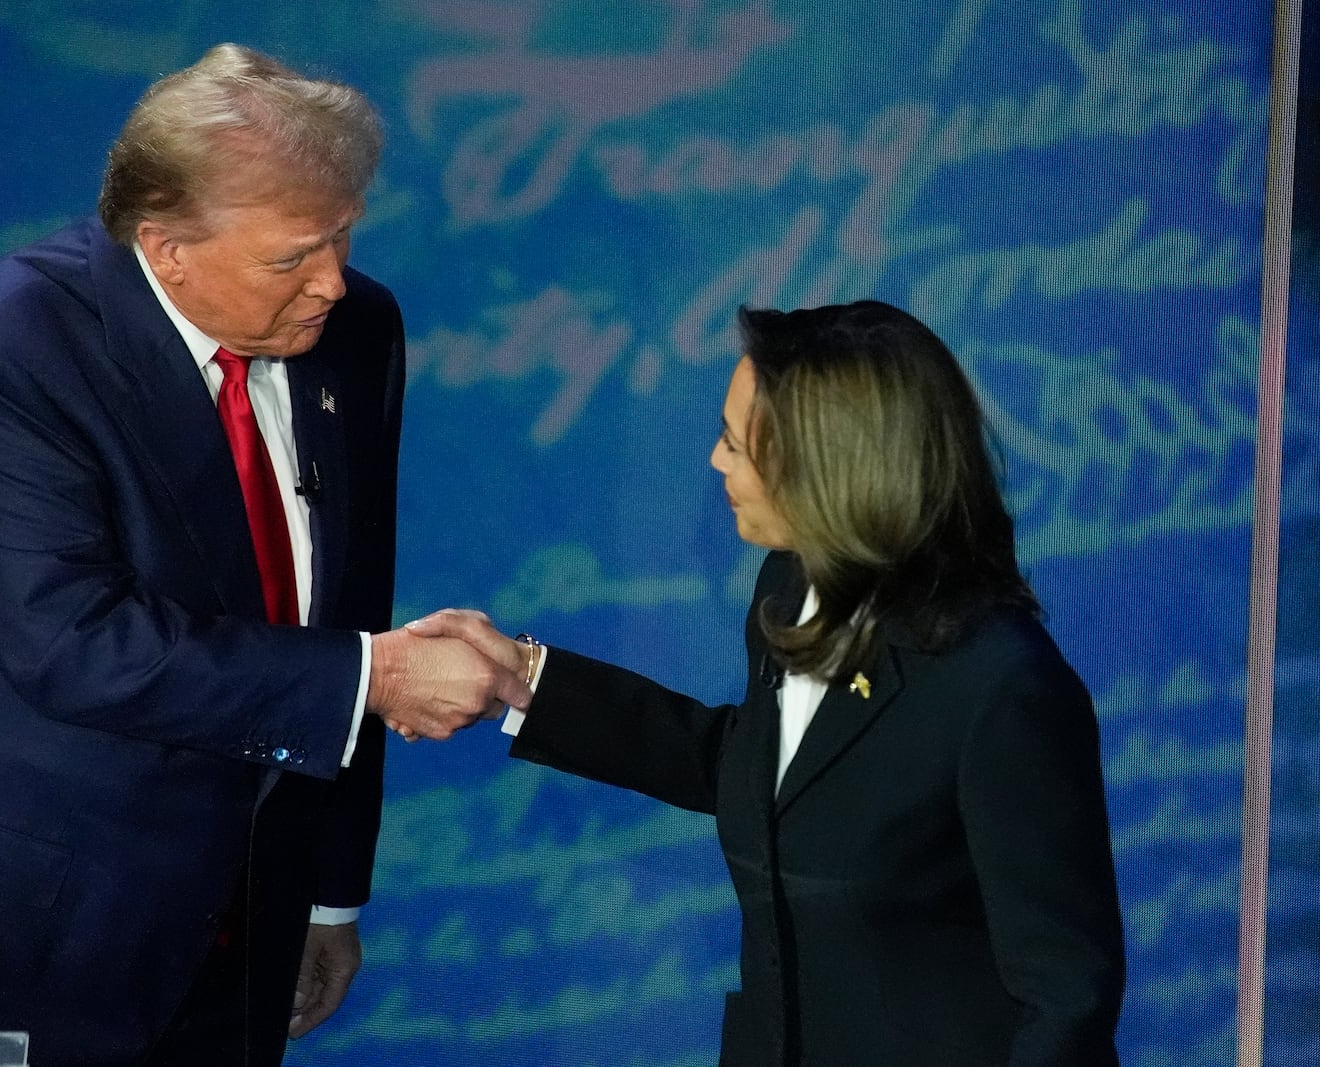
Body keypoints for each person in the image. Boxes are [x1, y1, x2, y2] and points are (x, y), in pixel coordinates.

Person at [0, 44, 528, 1067]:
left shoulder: (356, 328)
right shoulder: (4, 346)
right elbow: (71, 640)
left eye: (341, 235)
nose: (333, 281)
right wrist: (380, 676)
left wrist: (328, 888)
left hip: (237, 917)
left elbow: (347, 597)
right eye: (292, 257)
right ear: (164, 248)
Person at [411, 301, 1127, 1066]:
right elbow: (764, 775)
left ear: (830, 471)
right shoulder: (788, 586)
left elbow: (1066, 996)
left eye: (734, 443)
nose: (717, 462)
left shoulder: (1002, 689)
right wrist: (527, 680)